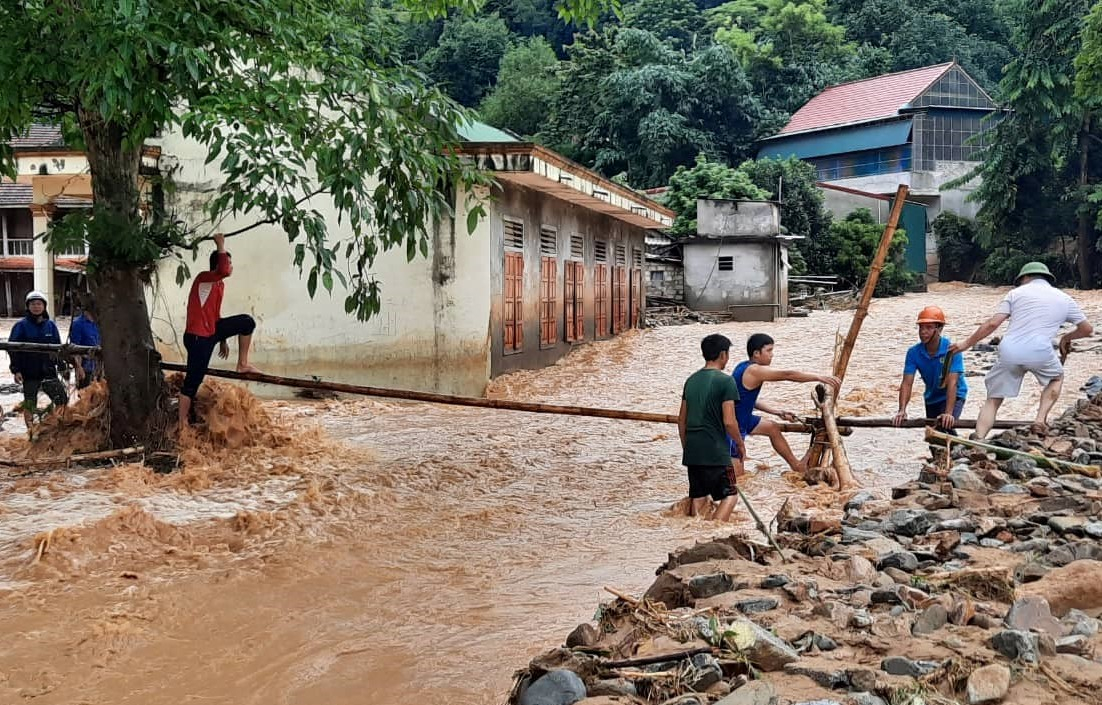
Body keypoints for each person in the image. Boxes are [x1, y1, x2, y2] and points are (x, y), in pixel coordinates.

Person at [950, 262, 1093, 438]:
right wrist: (1066, 338)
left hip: (1009, 351)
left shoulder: (1015, 294)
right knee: (1056, 377)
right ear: (1047, 279)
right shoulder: (1064, 298)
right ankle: (1039, 421)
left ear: (1025, 278)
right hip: (1041, 352)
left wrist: (965, 344)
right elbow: (1087, 329)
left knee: (993, 399)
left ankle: (978, 437)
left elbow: (993, 323)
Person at [178, 232, 261, 429]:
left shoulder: (219, 284)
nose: (231, 267)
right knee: (192, 381)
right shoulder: (204, 279)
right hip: (198, 337)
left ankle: (242, 363)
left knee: (247, 322)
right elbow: (223, 268)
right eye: (229, 263)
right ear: (218, 263)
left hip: (211, 331)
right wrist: (220, 245)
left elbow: (214, 313)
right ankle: (182, 424)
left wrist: (223, 338)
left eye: (230, 263)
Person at [731, 333, 840, 474]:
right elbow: (787, 375)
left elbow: (748, 400)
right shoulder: (755, 370)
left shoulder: (743, 366)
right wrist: (818, 377)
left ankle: (796, 466)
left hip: (743, 419)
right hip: (732, 425)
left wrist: (777, 412)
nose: (772, 355)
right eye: (769, 351)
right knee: (737, 479)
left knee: (772, 428)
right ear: (756, 353)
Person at [678, 333, 744, 521]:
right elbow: (730, 421)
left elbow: (681, 420)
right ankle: (713, 534)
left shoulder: (691, 380)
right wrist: (740, 444)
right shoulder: (726, 381)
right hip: (715, 451)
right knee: (731, 495)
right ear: (723, 355)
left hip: (693, 450)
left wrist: (687, 446)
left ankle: (693, 536)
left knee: (698, 497)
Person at [893, 306, 968, 433]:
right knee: (932, 436)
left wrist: (949, 413)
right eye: (921, 327)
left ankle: (958, 451)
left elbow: (953, 382)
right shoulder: (913, 353)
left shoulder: (952, 350)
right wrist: (902, 410)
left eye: (928, 328)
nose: (923, 332)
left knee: (945, 426)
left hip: (954, 395)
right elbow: (907, 383)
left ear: (939, 329)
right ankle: (955, 450)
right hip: (932, 397)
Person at [9, 290, 68, 431]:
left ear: (44, 306)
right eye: (33, 304)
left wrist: (61, 365)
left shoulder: (50, 326)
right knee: (30, 402)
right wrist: (16, 370)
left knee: (62, 400)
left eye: (39, 304)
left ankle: (54, 426)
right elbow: (12, 349)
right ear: (28, 307)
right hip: (29, 371)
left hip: (48, 370)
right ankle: (31, 430)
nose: (36, 306)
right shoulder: (20, 326)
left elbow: (57, 348)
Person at [68, 294, 102, 389]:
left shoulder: (100, 323)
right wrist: (79, 368)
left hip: (99, 365)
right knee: (85, 395)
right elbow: (75, 348)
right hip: (85, 365)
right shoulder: (77, 324)